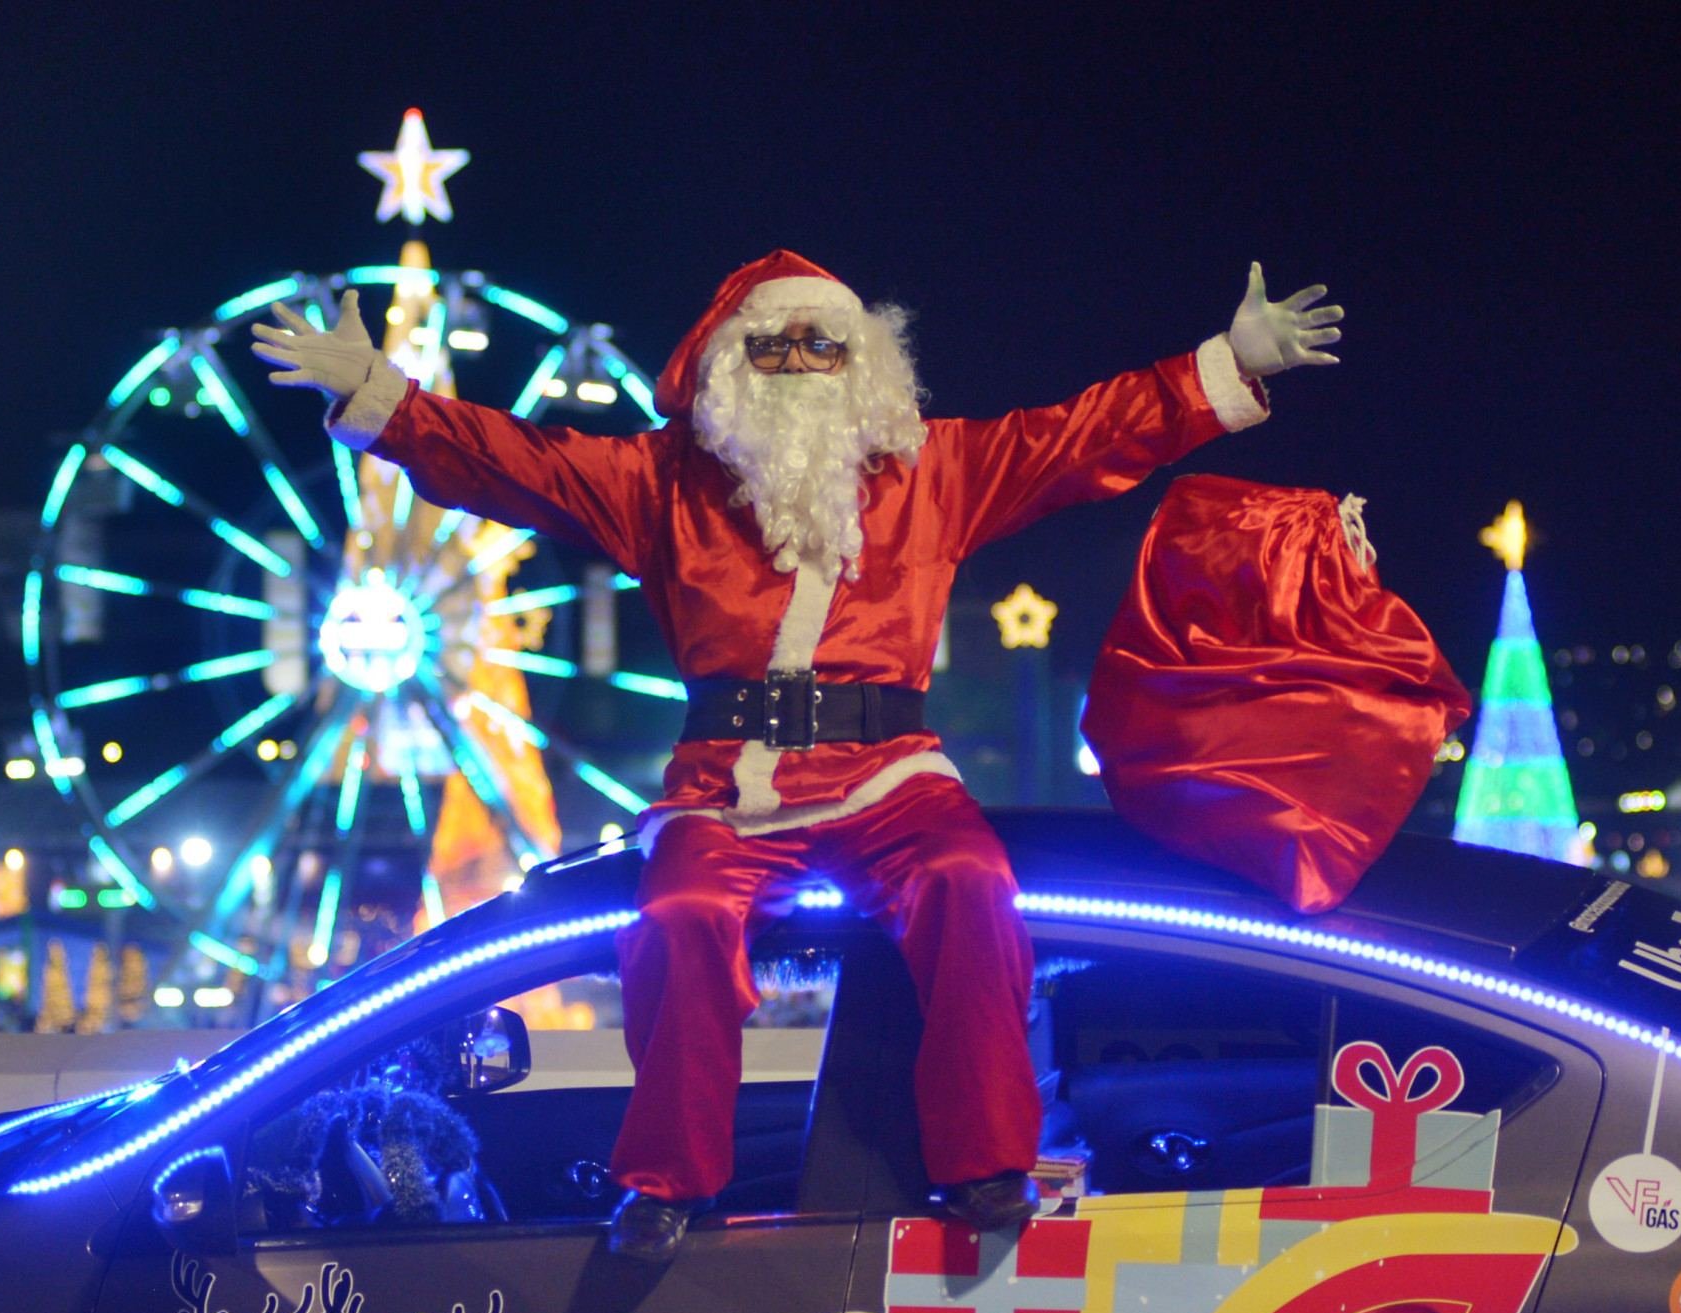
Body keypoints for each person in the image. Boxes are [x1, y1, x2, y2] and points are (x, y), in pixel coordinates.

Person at [254, 252, 1342, 1261]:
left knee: (970, 888)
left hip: (890, 777)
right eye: (770, 348)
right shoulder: (660, 482)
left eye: (821, 347)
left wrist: (1225, 366)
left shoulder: (935, 470)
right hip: (725, 784)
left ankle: (987, 1169)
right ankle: (670, 1184)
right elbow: (513, 464)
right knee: (677, 919)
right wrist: (384, 398)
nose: (798, 368)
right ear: (727, 368)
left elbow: (1084, 435)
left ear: (862, 362)